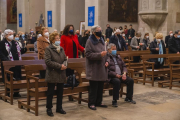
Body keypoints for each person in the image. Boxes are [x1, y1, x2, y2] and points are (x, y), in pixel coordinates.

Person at [85, 25, 109, 110]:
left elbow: (107, 54)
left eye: (101, 30)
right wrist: (99, 55)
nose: (100, 31)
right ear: (93, 32)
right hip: (94, 67)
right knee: (94, 87)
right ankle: (91, 103)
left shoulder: (102, 41)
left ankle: (99, 102)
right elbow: (87, 54)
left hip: (102, 67)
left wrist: (107, 61)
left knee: (100, 86)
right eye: (99, 30)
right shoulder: (89, 41)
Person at [45, 32, 67, 117]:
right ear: (52, 40)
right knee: (50, 92)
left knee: (60, 91)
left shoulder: (61, 48)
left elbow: (65, 58)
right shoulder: (48, 49)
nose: (58, 40)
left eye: (59, 38)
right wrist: (59, 66)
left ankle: (59, 108)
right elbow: (48, 61)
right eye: (56, 38)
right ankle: (49, 108)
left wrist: (65, 65)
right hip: (52, 73)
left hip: (61, 73)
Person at [0, 29, 27, 97]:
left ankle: (16, 92)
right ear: (6, 35)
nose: (12, 36)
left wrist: (24, 49)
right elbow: (1, 53)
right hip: (8, 64)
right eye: (10, 34)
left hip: (16, 63)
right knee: (9, 78)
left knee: (17, 77)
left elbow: (19, 51)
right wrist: (6, 60)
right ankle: (8, 92)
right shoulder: (2, 43)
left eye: (12, 34)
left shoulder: (15, 42)